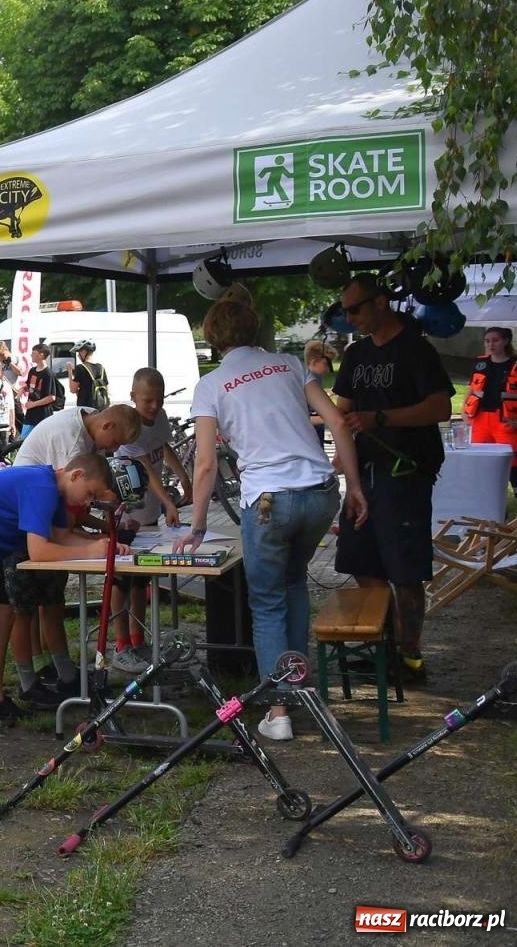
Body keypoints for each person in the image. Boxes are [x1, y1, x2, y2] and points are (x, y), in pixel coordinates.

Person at [175, 295, 367, 739]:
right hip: (318, 492)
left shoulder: (213, 385)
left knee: (266, 602)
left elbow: (205, 464)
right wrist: (354, 486)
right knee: (294, 583)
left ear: (213, 337)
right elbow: (338, 422)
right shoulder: (288, 364)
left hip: (268, 500)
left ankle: (278, 710)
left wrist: (198, 525)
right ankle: (302, 692)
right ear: (254, 327)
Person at [330, 274, 453, 685]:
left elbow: (440, 408)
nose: (350, 318)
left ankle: (411, 655)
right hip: (362, 475)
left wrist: (381, 418)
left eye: (356, 309)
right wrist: (336, 449)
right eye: (345, 312)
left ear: (380, 302)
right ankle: (384, 645)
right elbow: (342, 408)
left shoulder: (416, 350)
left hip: (405, 473)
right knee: (360, 559)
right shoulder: (356, 354)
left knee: (406, 569)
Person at [0, 454, 118, 724]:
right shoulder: (42, 487)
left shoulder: (57, 492)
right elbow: (38, 551)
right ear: (76, 475)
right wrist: (89, 549)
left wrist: (100, 546)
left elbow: (61, 537)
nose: (87, 503)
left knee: (2, 620)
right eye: (89, 494)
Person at [12, 401, 141, 702]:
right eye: (117, 441)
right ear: (107, 425)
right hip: (31, 522)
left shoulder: (85, 421)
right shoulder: (70, 442)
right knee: (28, 605)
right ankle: (37, 674)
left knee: (51, 600)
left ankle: (61, 671)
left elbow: (75, 509)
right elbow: (71, 510)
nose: (113, 448)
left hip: (44, 520)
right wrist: (93, 539)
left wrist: (103, 531)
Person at [108, 368, 193, 674]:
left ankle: (137, 637)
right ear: (133, 397)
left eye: (157, 400)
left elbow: (164, 448)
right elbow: (150, 471)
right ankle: (120, 645)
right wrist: (169, 501)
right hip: (127, 513)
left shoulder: (160, 417)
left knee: (141, 579)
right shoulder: (129, 430)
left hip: (148, 514)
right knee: (121, 580)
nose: (154, 407)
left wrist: (184, 476)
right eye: (147, 401)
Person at [464, 327, 517, 497]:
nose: (490, 344)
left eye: (495, 340)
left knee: (514, 467)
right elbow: (472, 389)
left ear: (506, 341)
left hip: (506, 421)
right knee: (482, 465)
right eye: (487, 341)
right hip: (480, 420)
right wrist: (465, 412)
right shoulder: (481, 364)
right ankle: (491, 512)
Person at [20, 344, 62, 439]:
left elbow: (51, 397)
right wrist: (22, 389)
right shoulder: (32, 371)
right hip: (30, 414)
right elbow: (30, 387)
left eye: (34, 353)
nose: (31, 355)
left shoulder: (48, 374)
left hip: (43, 414)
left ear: (41, 355)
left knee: (43, 440)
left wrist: (33, 404)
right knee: (24, 440)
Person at [304, 340, 339, 448]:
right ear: (314, 362)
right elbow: (301, 418)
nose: (328, 370)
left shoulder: (316, 379)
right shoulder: (305, 383)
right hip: (307, 436)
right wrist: (328, 418)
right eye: (326, 364)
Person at [70, 339, 110, 411]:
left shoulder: (80, 368)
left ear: (84, 352)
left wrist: (69, 372)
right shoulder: (101, 368)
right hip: (101, 409)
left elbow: (72, 390)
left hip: (86, 409)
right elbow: (107, 389)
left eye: (79, 352)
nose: (78, 355)